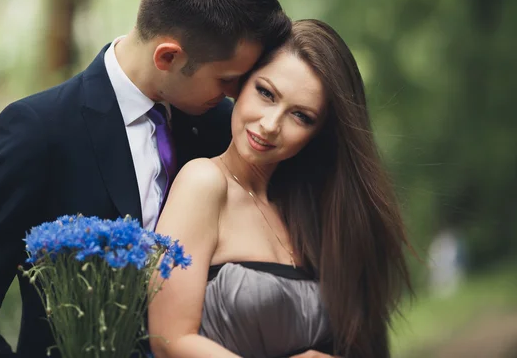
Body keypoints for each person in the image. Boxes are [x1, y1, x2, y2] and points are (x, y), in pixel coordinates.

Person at [0, 0, 291, 357]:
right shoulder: (40, 131)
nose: (237, 94)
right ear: (168, 57)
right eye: (226, 79)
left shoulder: (224, 129)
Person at [148, 20, 414, 358]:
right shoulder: (204, 183)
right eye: (266, 93)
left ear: (319, 132)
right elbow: (169, 340)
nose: (271, 125)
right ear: (240, 84)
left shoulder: (316, 209)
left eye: (300, 116)